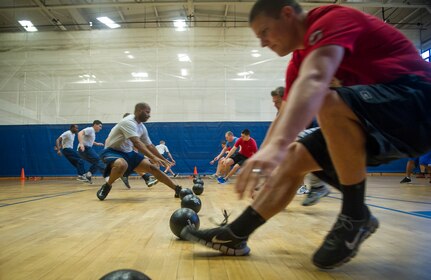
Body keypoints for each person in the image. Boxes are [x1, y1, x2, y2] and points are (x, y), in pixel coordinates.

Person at [181, 0, 431, 270]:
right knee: (295, 155)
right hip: (380, 126)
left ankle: (355, 215)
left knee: (325, 100)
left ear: (287, 14)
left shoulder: (332, 19)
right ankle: (235, 235)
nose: (263, 43)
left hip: (417, 105)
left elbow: (315, 80)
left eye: (264, 31)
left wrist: (275, 145)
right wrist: (267, 156)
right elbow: (284, 116)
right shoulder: (297, 62)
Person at [96, 103, 182, 201]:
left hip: (128, 153)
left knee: (153, 168)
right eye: (147, 112)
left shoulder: (141, 127)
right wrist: (153, 157)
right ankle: (107, 186)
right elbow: (136, 143)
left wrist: (163, 159)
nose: (149, 115)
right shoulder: (128, 122)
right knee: (121, 164)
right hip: (112, 151)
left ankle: (177, 189)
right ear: (139, 111)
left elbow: (150, 145)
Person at [271, 86, 330, 202]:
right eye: (273, 102)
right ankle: (313, 186)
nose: (274, 104)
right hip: (312, 136)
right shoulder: (280, 113)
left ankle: (316, 186)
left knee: (298, 148)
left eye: (277, 102)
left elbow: (300, 131)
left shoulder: (294, 109)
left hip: (324, 131)